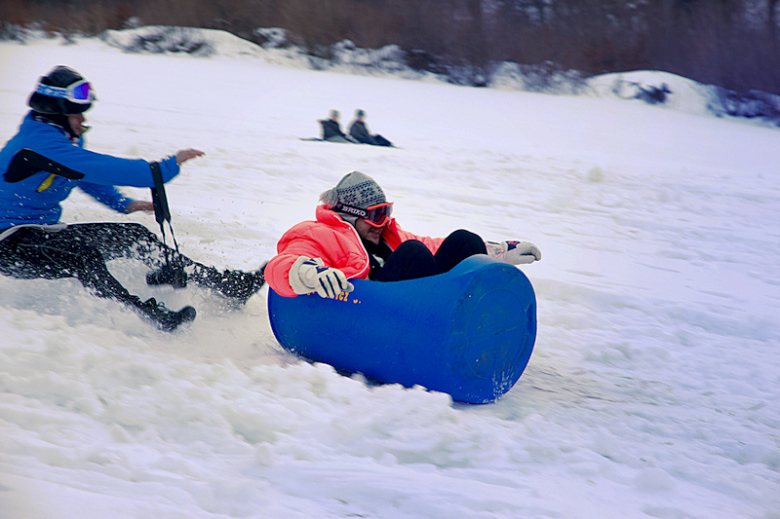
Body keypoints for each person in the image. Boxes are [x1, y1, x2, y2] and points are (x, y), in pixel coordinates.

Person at [0, 65, 265, 331]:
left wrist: (124, 203)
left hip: (41, 231)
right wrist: (160, 170)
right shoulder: (37, 145)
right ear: (57, 113)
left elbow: (82, 175)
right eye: (77, 113)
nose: (83, 120)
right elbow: (96, 167)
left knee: (134, 236)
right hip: (8, 243)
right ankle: (147, 314)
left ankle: (226, 286)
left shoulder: (61, 140)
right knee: (84, 256)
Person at [264, 171, 541, 299]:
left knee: (462, 239)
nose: (383, 222)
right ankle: (447, 315)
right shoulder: (319, 233)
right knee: (412, 253)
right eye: (375, 214)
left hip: (415, 301)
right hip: (373, 308)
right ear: (350, 214)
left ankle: (477, 312)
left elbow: (434, 246)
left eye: (387, 211)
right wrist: (311, 273)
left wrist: (499, 251)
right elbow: (280, 265)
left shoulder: (387, 236)